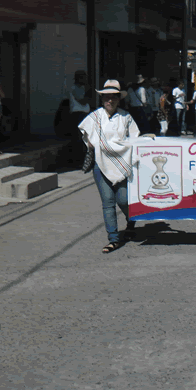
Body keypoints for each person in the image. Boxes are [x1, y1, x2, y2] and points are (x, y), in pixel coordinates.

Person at [79, 80, 142, 254]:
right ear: (102, 99)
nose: (110, 100)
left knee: (123, 199)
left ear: (118, 99)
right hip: (101, 164)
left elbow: (135, 138)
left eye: (113, 97)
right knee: (108, 203)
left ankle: (131, 221)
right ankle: (113, 239)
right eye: (107, 97)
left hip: (122, 165)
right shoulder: (94, 117)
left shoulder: (126, 117)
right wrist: (92, 144)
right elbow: (85, 134)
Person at [67, 70, 91, 163]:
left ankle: (82, 159)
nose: (85, 79)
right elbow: (82, 100)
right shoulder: (75, 88)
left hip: (83, 114)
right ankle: (77, 160)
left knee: (84, 138)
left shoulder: (82, 87)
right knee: (78, 138)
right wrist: (88, 94)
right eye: (83, 77)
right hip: (78, 115)